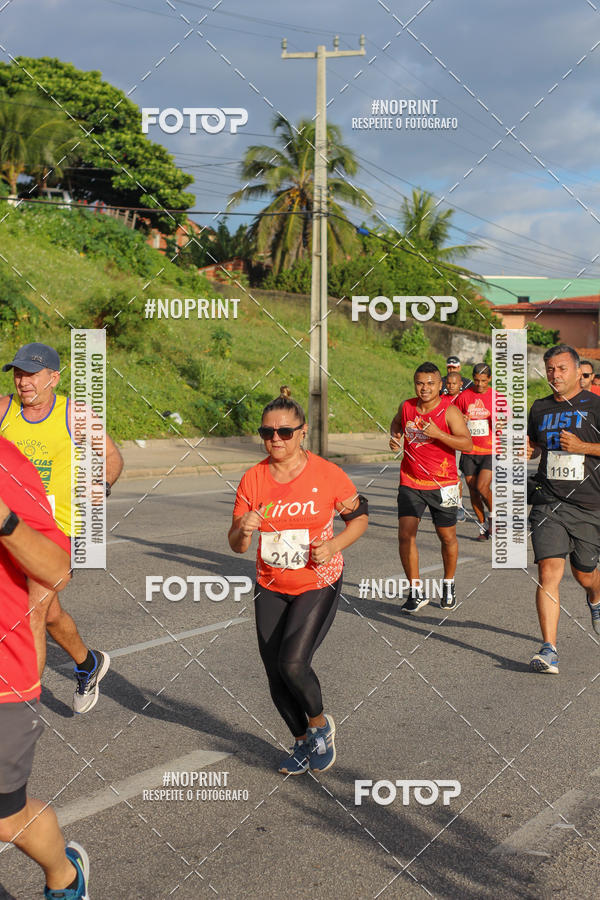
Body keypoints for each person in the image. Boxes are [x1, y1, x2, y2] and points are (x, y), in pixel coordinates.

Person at [229, 387, 368, 775]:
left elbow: (359, 518)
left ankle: (321, 727)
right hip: (271, 583)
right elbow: (237, 544)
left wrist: (334, 544)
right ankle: (302, 741)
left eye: (285, 432)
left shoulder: (327, 474)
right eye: (267, 433)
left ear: (302, 432)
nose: (275, 439)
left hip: (317, 580)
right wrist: (244, 528)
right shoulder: (253, 479)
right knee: (274, 673)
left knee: (293, 663)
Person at [0, 342, 123, 713]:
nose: (23, 381)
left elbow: (112, 456)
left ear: (53, 377)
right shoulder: (4, 409)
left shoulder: (75, 414)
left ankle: (22, 713)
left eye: (31, 374)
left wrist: (102, 485)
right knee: (50, 614)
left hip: (60, 532)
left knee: (32, 612)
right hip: (12, 528)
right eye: (18, 373)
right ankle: (89, 663)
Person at [0, 435, 90, 899]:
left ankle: (66, 875)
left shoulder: (6, 463)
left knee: (5, 817)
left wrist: (4, 521)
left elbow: (57, 570)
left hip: (3, 679)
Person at [527, 344, 600, 674]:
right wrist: (527, 450)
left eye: (561, 368)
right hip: (548, 501)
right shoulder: (539, 407)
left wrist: (583, 447)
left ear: (576, 370)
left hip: (589, 504)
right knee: (548, 573)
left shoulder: (595, 406)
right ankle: (549, 648)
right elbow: (535, 445)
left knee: (584, 574)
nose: (555, 375)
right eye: (550, 369)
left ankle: (595, 597)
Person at [389, 362, 472, 613]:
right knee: (406, 535)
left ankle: (448, 584)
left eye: (430, 383)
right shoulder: (407, 406)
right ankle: (415, 592)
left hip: (443, 483)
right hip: (410, 481)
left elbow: (467, 443)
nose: (424, 388)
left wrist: (438, 434)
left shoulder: (449, 411)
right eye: (420, 383)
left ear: (440, 385)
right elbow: (396, 424)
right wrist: (395, 437)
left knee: (447, 537)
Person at [455, 363, 502, 541]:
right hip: (469, 450)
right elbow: (454, 417)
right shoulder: (464, 396)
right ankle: (483, 527)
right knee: (473, 490)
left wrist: (501, 422)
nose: (480, 384)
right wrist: (462, 419)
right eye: (476, 380)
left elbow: (507, 418)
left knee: (482, 487)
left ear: (489, 379)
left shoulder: (497, 397)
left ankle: (494, 518)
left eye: (483, 380)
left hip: (490, 449)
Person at [444, 372, 467, 521]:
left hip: (463, 441)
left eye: (454, 384)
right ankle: (451, 504)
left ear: (461, 385)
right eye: (448, 383)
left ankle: (458, 506)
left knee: (457, 475)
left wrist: (466, 418)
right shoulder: (441, 399)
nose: (451, 386)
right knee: (450, 474)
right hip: (445, 441)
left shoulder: (465, 398)